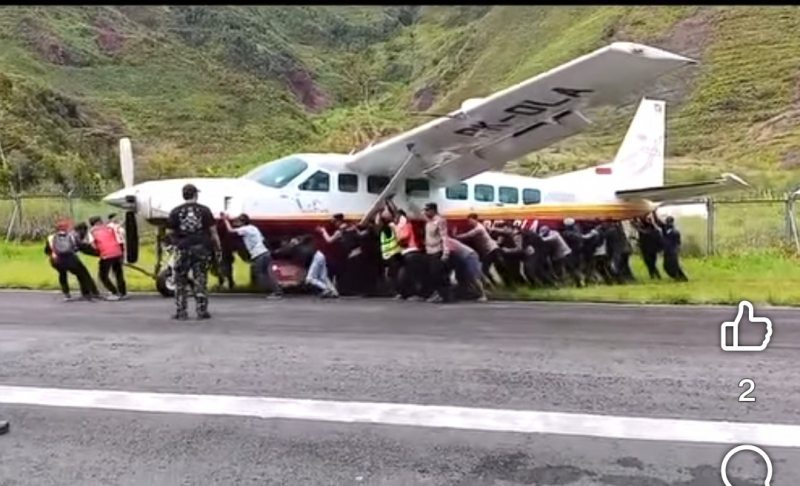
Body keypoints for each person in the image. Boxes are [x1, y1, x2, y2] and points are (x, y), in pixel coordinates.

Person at [166, 183, 221, 320]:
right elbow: (213, 232)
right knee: (200, 278)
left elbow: (169, 232)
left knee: (180, 280)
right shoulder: (205, 210)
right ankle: (201, 310)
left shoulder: (175, 211)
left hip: (183, 248)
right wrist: (218, 248)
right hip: (201, 247)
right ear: (196, 194)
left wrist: (175, 244)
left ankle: (181, 311)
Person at [221, 213, 283, 298]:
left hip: (258, 254)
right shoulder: (254, 228)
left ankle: (276, 291)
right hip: (265, 252)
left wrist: (225, 220)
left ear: (243, 222)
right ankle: (277, 288)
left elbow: (230, 231)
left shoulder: (245, 229)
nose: (236, 223)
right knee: (266, 273)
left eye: (238, 221)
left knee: (260, 274)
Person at [44, 220, 97, 301]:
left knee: (62, 274)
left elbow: (47, 251)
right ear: (66, 228)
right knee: (83, 274)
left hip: (56, 261)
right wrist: (96, 252)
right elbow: (81, 246)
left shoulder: (50, 237)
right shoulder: (72, 236)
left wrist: (54, 256)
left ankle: (66, 294)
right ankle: (87, 293)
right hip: (71, 260)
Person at [319, 213, 364, 296]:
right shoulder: (352, 227)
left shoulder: (339, 232)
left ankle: (346, 291)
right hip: (358, 251)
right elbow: (360, 235)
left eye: (334, 221)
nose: (333, 223)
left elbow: (329, 240)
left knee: (348, 273)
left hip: (350, 254)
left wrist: (323, 231)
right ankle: (358, 290)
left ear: (338, 221)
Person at [453, 214, 504, 287]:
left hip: (492, 250)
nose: (469, 223)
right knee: (487, 269)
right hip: (490, 250)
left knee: (491, 269)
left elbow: (467, 235)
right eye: (468, 221)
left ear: (475, 220)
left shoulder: (478, 229)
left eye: (470, 221)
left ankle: (494, 285)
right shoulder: (477, 227)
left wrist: (455, 236)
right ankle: (494, 284)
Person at [88, 216, 127, 300]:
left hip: (106, 254)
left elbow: (93, 245)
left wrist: (99, 251)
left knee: (103, 275)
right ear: (100, 221)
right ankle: (123, 292)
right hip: (117, 252)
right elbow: (119, 239)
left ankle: (114, 292)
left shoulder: (92, 231)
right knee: (118, 273)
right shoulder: (109, 228)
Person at [391, 205, 426, 300]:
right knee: (402, 275)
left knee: (411, 275)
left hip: (412, 253)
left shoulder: (406, 225)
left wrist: (395, 238)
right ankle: (405, 293)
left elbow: (403, 239)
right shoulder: (399, 226)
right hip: (406, 254)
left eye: (397, 217)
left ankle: (416, 294)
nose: (395, 219)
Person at [422, 202, 451, 303]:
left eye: (427, 210)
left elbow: (444, 237)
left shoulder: (440, 221)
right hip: (429, 251)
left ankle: (441, 295)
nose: (425, 212)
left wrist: (446, 252)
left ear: (433, 211)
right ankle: (436, 294)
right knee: (431, 274)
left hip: (437, 250)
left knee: (437, 274)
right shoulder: (428, 221)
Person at [446, 237, 488, 302]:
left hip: (469, 256)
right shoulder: (445, 241)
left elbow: (447, 254)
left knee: (473, 277)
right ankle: (469, 293)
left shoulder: (447, 242)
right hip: (461, 259)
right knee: (462, 278)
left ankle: (483, 295)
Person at [376, 208, 402, 297]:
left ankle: (396, 292)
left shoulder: (389, 227)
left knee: (392, 275)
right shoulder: (389, 228)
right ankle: (395, 292)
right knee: (391, 275)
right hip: (391, 255)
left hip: (392, 255)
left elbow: (378, 223)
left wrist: (379, 211)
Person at [655, 214, 688, 282]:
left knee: (674, 265)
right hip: (667, 251)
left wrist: (676, 250)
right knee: (666, 266)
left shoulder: (675, 232)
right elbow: (658, 222)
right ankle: (677, 276)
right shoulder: (665, 229)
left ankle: (680, 277)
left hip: (672, 251)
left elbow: (678, 243)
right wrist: (653, 213)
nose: (668, 223)